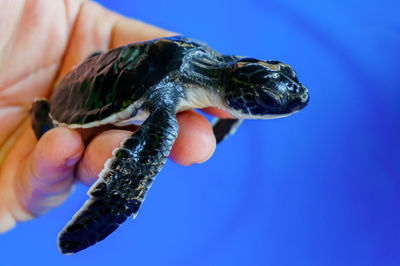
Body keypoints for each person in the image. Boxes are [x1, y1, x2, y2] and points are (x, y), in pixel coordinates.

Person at [0, 0, 231, 233]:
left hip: (105, 65)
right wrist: (109, 209)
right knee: (56, 138)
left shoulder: (219, 65)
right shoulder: (175, 95)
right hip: (87, 91)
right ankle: (41, 114)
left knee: (62, 146)